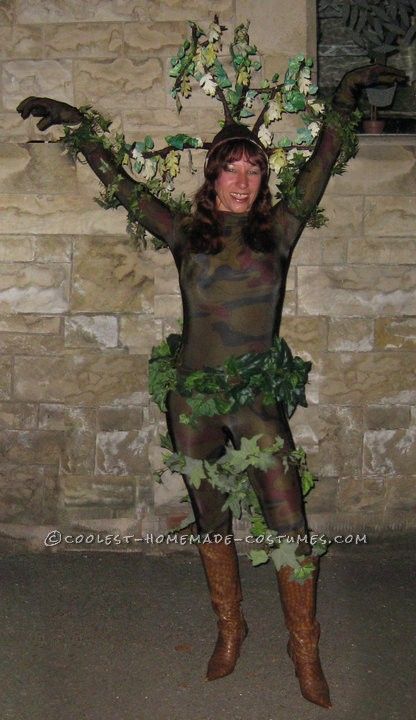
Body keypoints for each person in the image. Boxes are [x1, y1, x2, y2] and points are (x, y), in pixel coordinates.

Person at [16, 61, 404, 709]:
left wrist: (346, 94)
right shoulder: (181, 234)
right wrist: (81, 126)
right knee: (211, 518)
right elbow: (120, 181)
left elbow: (327, 157)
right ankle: (231, 627)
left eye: (254, 170)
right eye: (232, 168)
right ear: (213, 174)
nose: (244, 182)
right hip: (192, 401)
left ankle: (303, 646)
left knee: (291, 526)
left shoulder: (280, 232)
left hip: (256, 404)